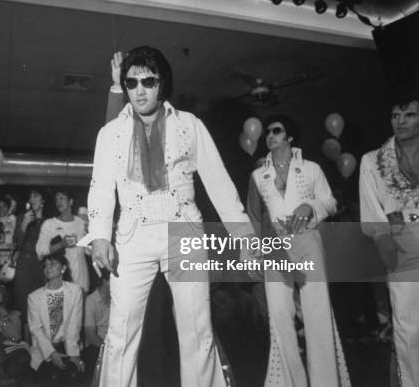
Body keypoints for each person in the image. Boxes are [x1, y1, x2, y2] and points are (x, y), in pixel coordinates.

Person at [87, 46, 254, 387]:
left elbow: (218, 182)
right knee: (120, 333)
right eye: (131, 82)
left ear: (162, 83)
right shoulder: (110, 134)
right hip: (132, 233)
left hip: (183, 228)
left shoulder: (189, 125)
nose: (139, 89)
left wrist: (244, 235)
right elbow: (101, 187)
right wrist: (100, 235)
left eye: (148, 81)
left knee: (197, 330)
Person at [246, 115, 350, 387]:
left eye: (276, 131)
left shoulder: (312, 168)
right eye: (267, 132)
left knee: (317, 313)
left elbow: (330, 202)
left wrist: (310, 208)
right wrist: (253, 253)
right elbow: (254, 218)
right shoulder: (258, 175)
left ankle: (325, 382)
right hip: (275, 247)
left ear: (290, 137)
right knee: (279, 316)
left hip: (307, 241)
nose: (270, 136)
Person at [359, 88, 419, 387]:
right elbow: (371, 209)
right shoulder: (372, 161)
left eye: (409, 114)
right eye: (396, 115)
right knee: (407, 327)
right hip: (401, 243)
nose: (401, 121)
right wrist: (384, 241)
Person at [27, 253, 85, 385]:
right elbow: (36, 330)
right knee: (53, 377)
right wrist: (51, 353)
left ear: (63, 268)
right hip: (44, 350)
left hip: (67, 347)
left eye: (52, 264)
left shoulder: (75, 291)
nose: (48, 268)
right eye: (45, 266)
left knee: (74, 374)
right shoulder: (34, 297)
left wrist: (74, 355)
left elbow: (74, 325)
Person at [36, 190, 89, 293]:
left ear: (70, 202)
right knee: (59, 308)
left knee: (79, 308)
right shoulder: (49, 224)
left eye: (61, 198)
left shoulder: (81, 223)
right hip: (59, 280)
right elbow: (40, 251)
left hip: (82, 280)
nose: (58, 202)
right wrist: (61, 244)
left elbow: (89, 250)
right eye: (56, 199)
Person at [13, 190, 46, 324]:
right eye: (30, 196)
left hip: (41, 265)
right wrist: (24, 224)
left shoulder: (48, 220)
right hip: (24, 264)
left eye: (36, 196)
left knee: (40, 305)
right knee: (23, 303)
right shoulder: (22, 217)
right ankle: (25, 343)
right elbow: (16, 243)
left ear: (43, 200)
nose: (32, 199)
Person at [82, 270, 111, 375]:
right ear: (105, 281)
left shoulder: (117, 299)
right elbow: (90, 337)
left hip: (114, 344)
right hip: (97, 347)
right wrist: (108, 351)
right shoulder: (90, 301)